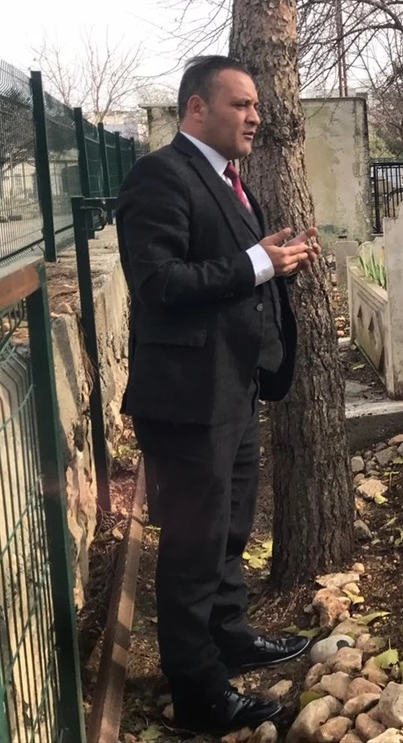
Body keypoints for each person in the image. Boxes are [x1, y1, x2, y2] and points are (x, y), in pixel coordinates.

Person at [116, 55, 321, 734]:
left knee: (230, 530)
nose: (255, 116)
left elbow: (232, 269)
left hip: (232, 389)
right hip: (185, 402)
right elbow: (160, 284)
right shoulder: (160, 177)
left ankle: (228, 635)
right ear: (196, 109)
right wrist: (259, 262)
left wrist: (270, 259)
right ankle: (197, 691)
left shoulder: (230, 180)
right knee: (192, 547)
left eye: (256, 105)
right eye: (240, 104)